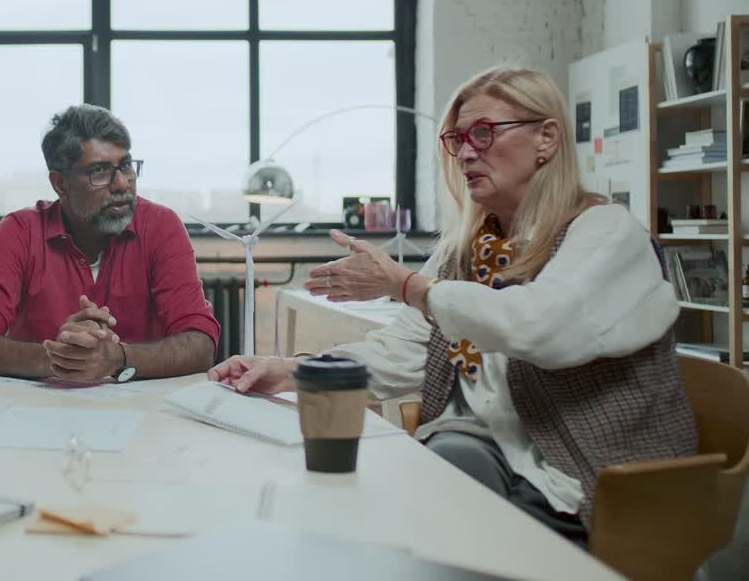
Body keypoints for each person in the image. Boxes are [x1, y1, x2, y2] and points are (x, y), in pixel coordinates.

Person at [210, 66, 696, 543]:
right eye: (457, 139)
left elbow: (538, 326)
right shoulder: (467, 249)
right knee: (366, 503)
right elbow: (403, 351)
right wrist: (290, 371)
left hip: (584, 477)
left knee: (414, 520)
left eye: (483, 133)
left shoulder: (607, 231)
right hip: (486, 454)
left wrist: (406, 285)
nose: (465, 153)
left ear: (546, 139)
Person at [0, 104, 220, 382]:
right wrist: (59, 357)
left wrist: (117, 358)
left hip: (142, 405)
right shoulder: (19, 231)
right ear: (60, 184)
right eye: (100, 171)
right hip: (41, 403)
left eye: (126, 166)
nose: (122, 184)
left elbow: (201, 346)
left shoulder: (161, 226)